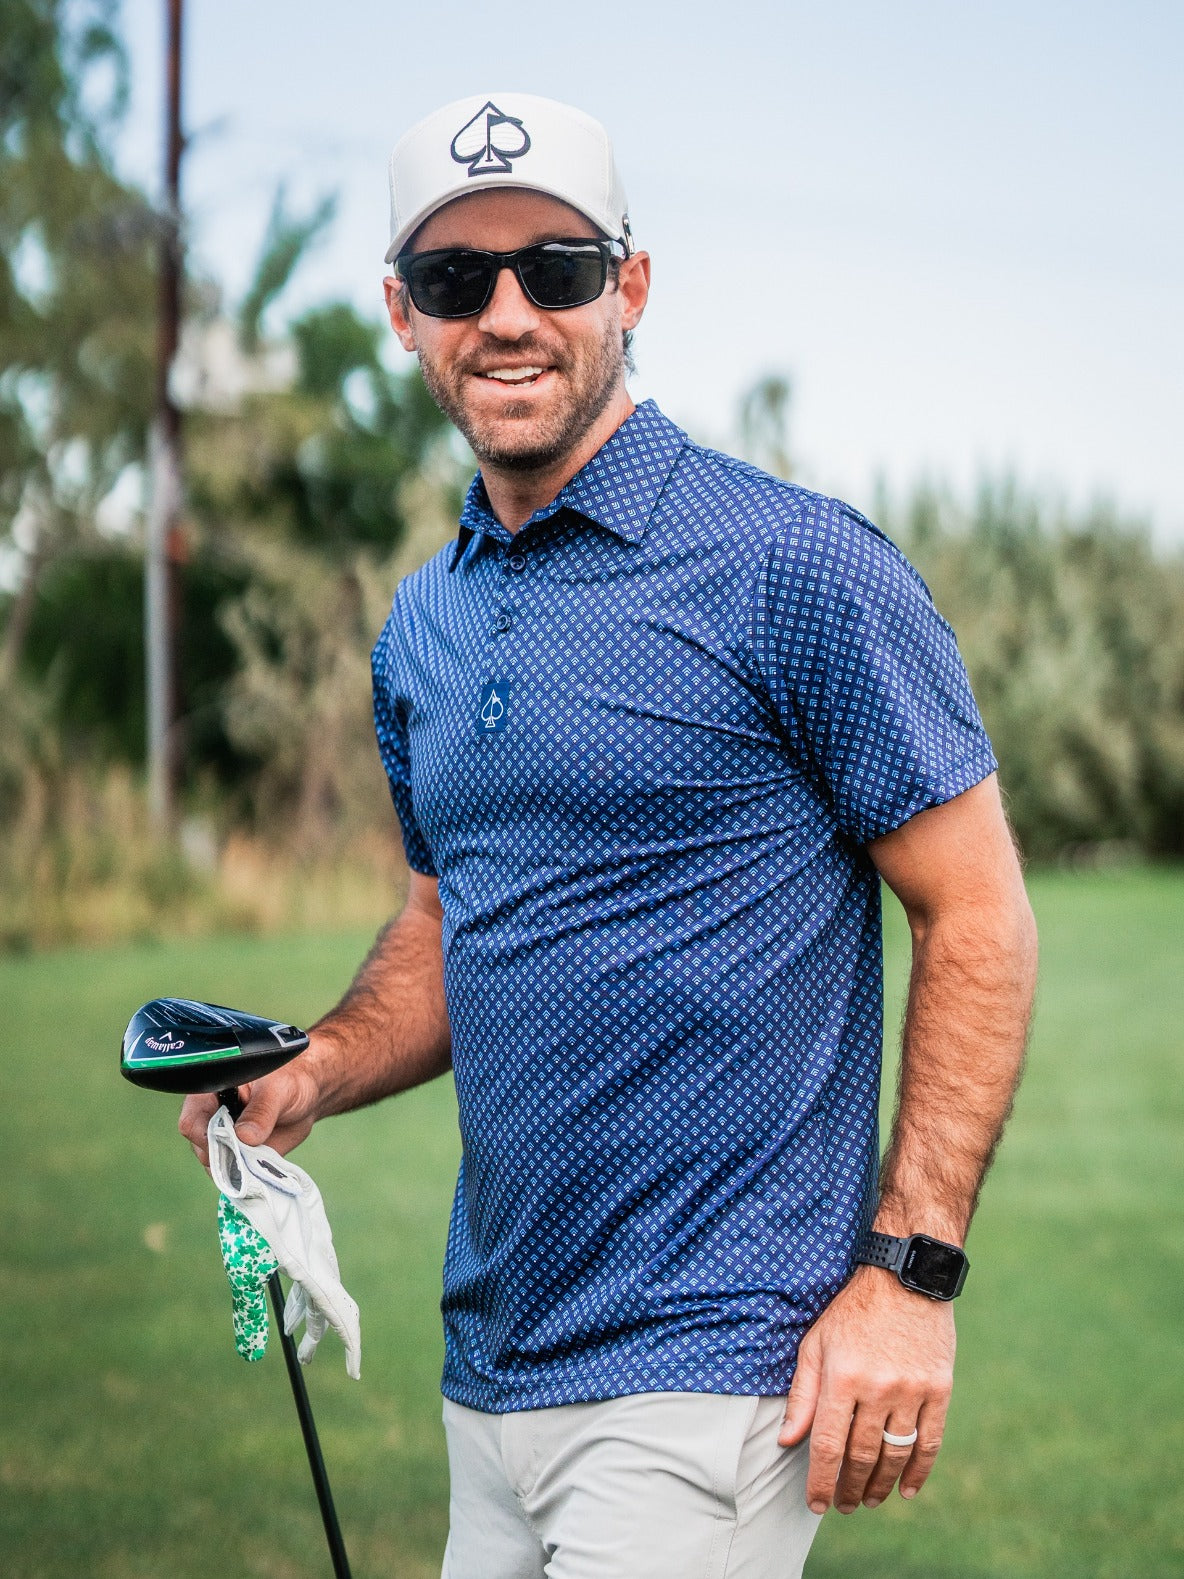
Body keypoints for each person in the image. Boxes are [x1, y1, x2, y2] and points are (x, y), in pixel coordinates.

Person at [181, 91, 1038, 1578]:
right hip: (496, 1372)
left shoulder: (795, 570)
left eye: (555, 269)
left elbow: (977, 915)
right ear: (403, 314)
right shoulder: (425, 626)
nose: (508, 313)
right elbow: (459, 917)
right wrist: (314, 1064)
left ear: (629, 288)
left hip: (711, 1369)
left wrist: (909, 1277)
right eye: (458, 280)